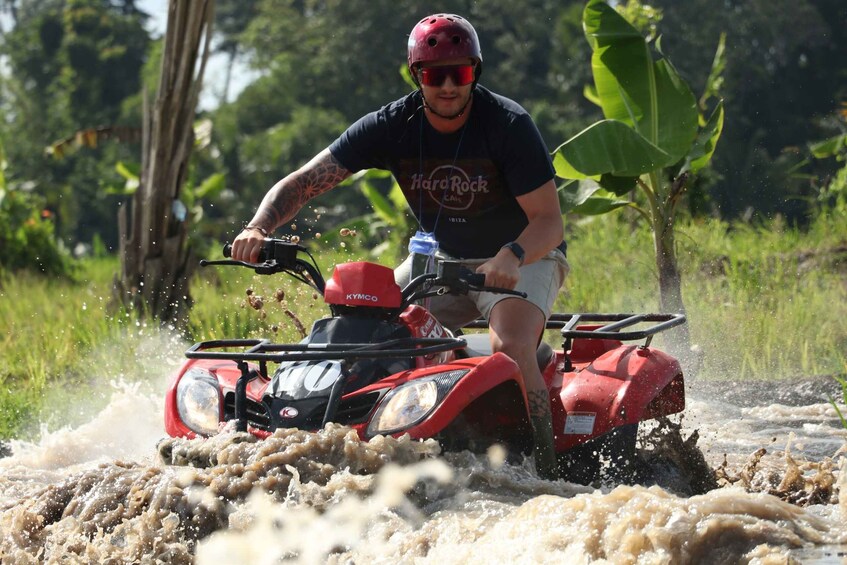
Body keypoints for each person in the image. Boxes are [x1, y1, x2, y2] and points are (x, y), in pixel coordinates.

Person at [230, 13, 569, 479]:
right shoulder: (392, 125)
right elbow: (306, 181)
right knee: (363, 326)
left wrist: (510, 255)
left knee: (510, 345)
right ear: (417, 76)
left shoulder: (508, 124)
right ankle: (352, 455)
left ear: (475, 72)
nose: (448, 86)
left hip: (519, 256)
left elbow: (549, 222)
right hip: (440, 262)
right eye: (435, 75)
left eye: (460, 73)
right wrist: (258, 227)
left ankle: (545, 467)